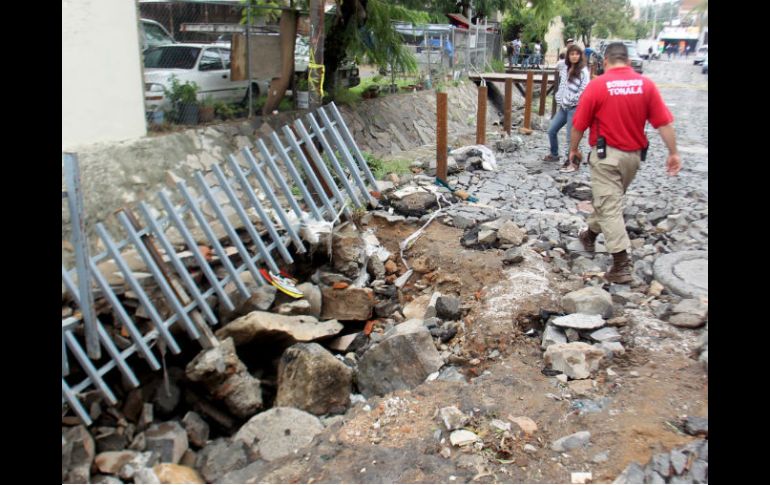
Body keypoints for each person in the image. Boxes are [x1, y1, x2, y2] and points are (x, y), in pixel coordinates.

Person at [566, 42, 681, 283]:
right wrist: (673, 153)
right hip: (633, 158)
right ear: (628, 62)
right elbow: (663, 123)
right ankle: (589, 235)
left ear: (605, 62)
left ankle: (620, 264)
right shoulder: (645, 85)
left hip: (606, 156)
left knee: (609, 204)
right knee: (610, 199)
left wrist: (574, 149)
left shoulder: (598, 85)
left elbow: (579, 124)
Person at [544, 44, 590, 166]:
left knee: (571, 137)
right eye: (572, 54)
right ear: (568, 56)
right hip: (563, 107)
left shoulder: (583, 71)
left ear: (580, 56)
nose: (574, 56)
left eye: (577, 54)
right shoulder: (565, 68)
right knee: (551, 130)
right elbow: (562, 84)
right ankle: (554, 154)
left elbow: (584, 90)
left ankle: (571, 159)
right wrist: (559, 97)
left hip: (574, 108)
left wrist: (570, 99)